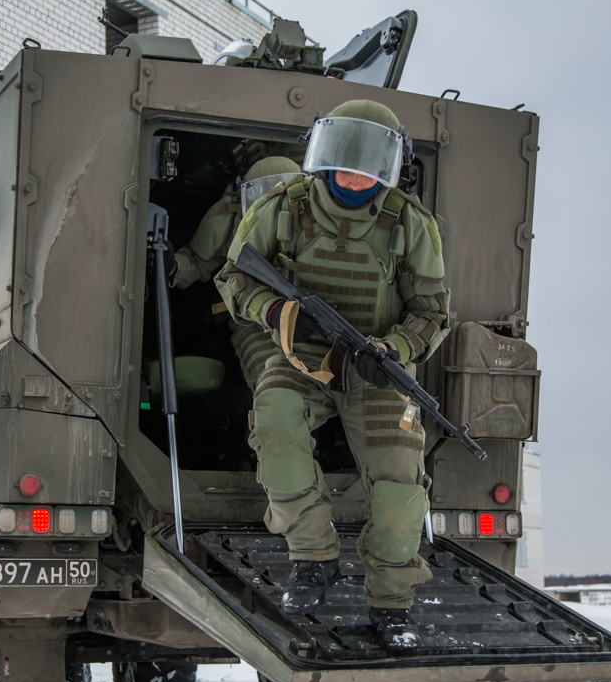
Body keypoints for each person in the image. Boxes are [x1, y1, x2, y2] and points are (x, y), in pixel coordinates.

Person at [214, 100, 451, 652]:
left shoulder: (411, 224)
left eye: (368, 165)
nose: (353, 173)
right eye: (343, 160)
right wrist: (274, 313)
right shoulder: (283, 206)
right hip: (302, 354)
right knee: (274, 423)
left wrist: (393, 347)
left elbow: (432, 314)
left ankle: (392, 603)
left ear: (389, 168)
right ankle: (313, 557)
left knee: (399, 485)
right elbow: (232, 275)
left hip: (379, 368)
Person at [169, 155, 301, 391]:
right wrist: (172, 266)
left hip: (306, 320)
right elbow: (198, 260)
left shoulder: (316, 222)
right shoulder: (236, 220)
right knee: (271, 386)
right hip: (254, 319)